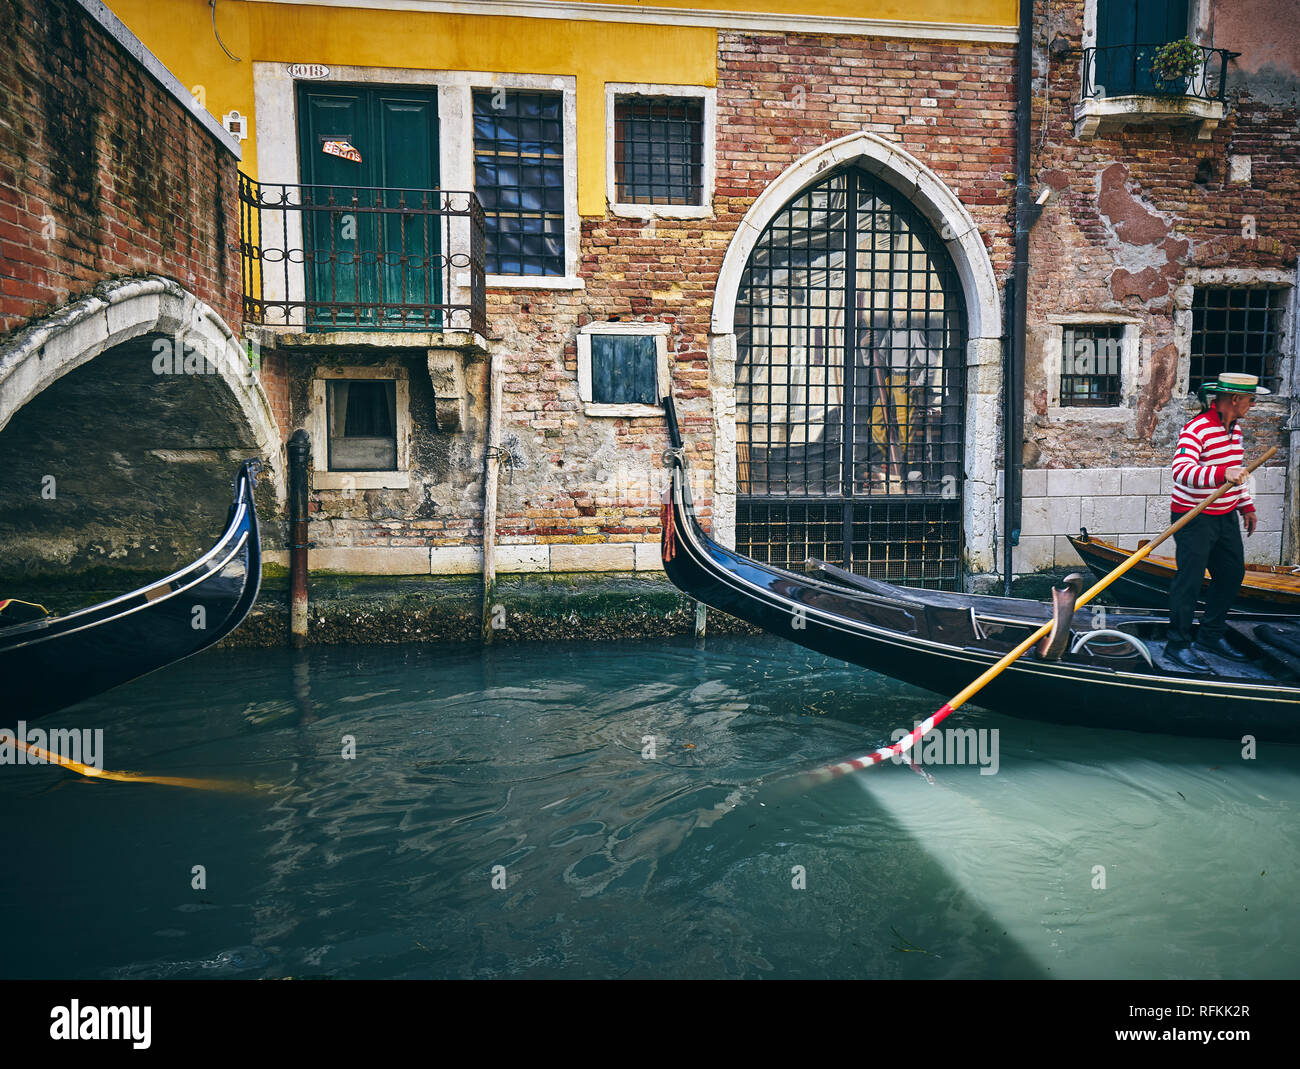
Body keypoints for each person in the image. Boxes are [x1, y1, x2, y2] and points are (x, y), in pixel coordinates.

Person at [1163, 372, 1268, 672]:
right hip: (1192, 516)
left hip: (1224, 516)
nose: (1252, 404)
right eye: (1250, 399)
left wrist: (1245, 505)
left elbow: (1238, 473)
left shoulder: (1235, 431)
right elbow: (1181, 470)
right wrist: (1221, 474)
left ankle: (1210, 635)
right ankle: (1177, 645)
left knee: (1232, 574)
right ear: (1235, 399)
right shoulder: (1197, 428)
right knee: (1190, 581)